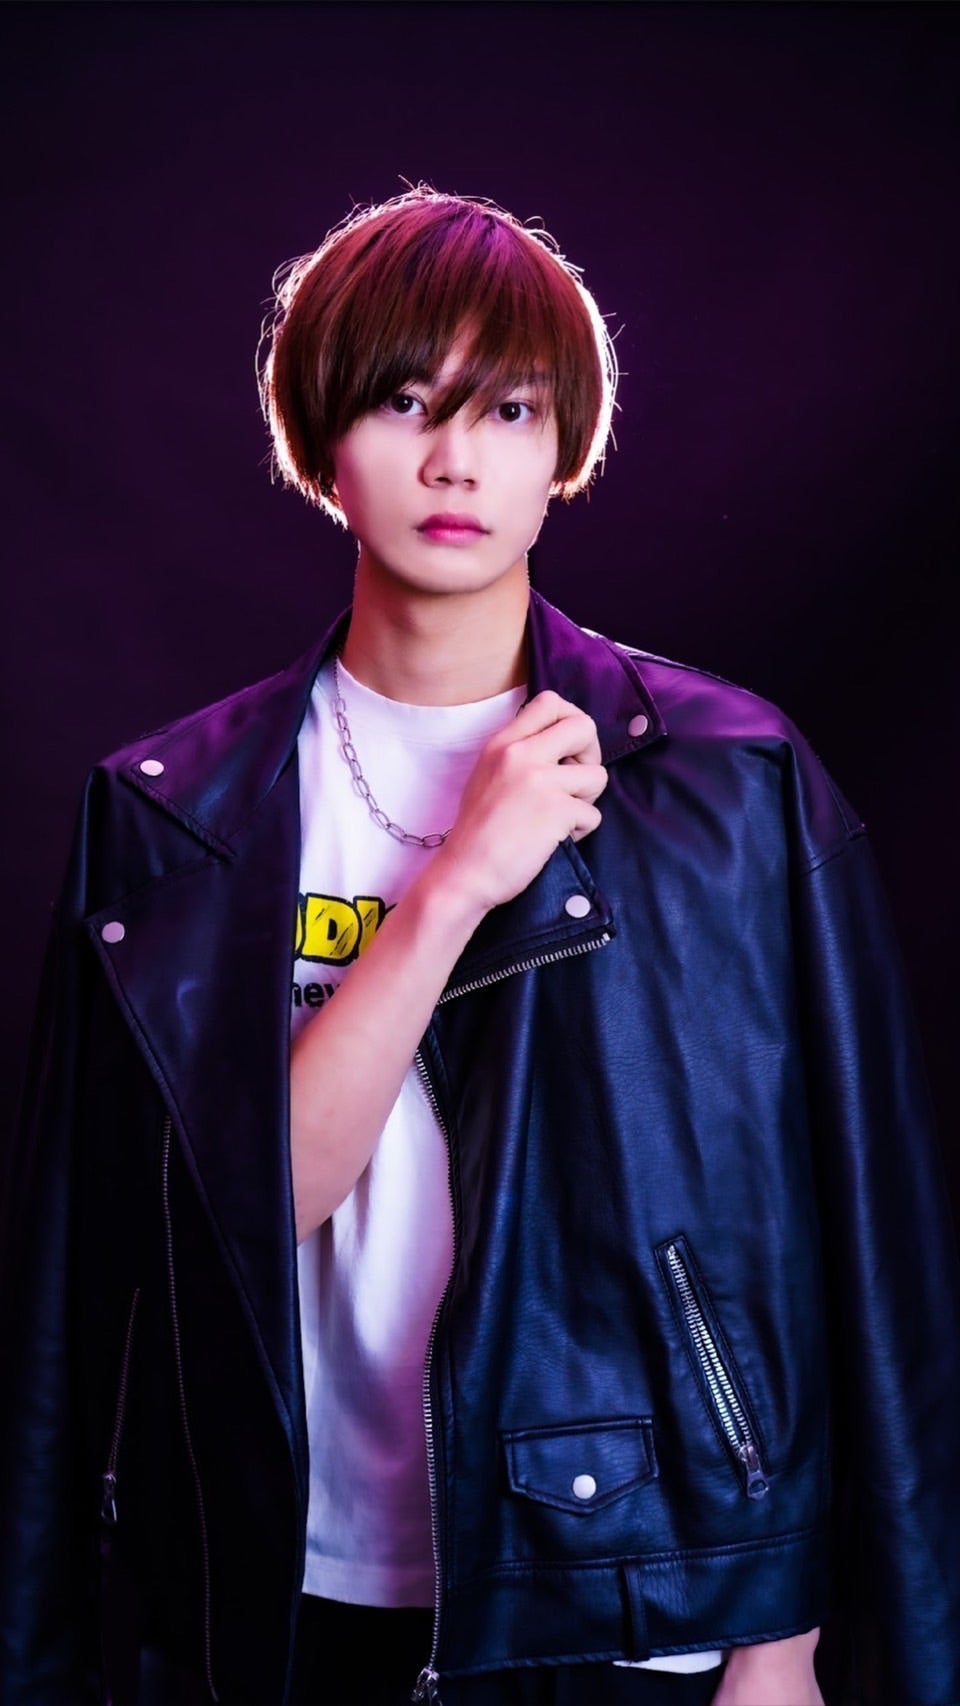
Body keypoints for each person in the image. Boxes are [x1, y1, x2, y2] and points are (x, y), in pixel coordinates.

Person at [1, 187, 957, 1706]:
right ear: (320, 438)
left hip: (637, 1597)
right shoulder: (172, 817)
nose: (455, 459)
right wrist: (454, 888)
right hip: (289, 1590)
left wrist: (781, 1635)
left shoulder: (734, 786)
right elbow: (193, 1236)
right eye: (403, 401)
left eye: (507, 410)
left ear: (563, 443)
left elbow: (850, 1237)